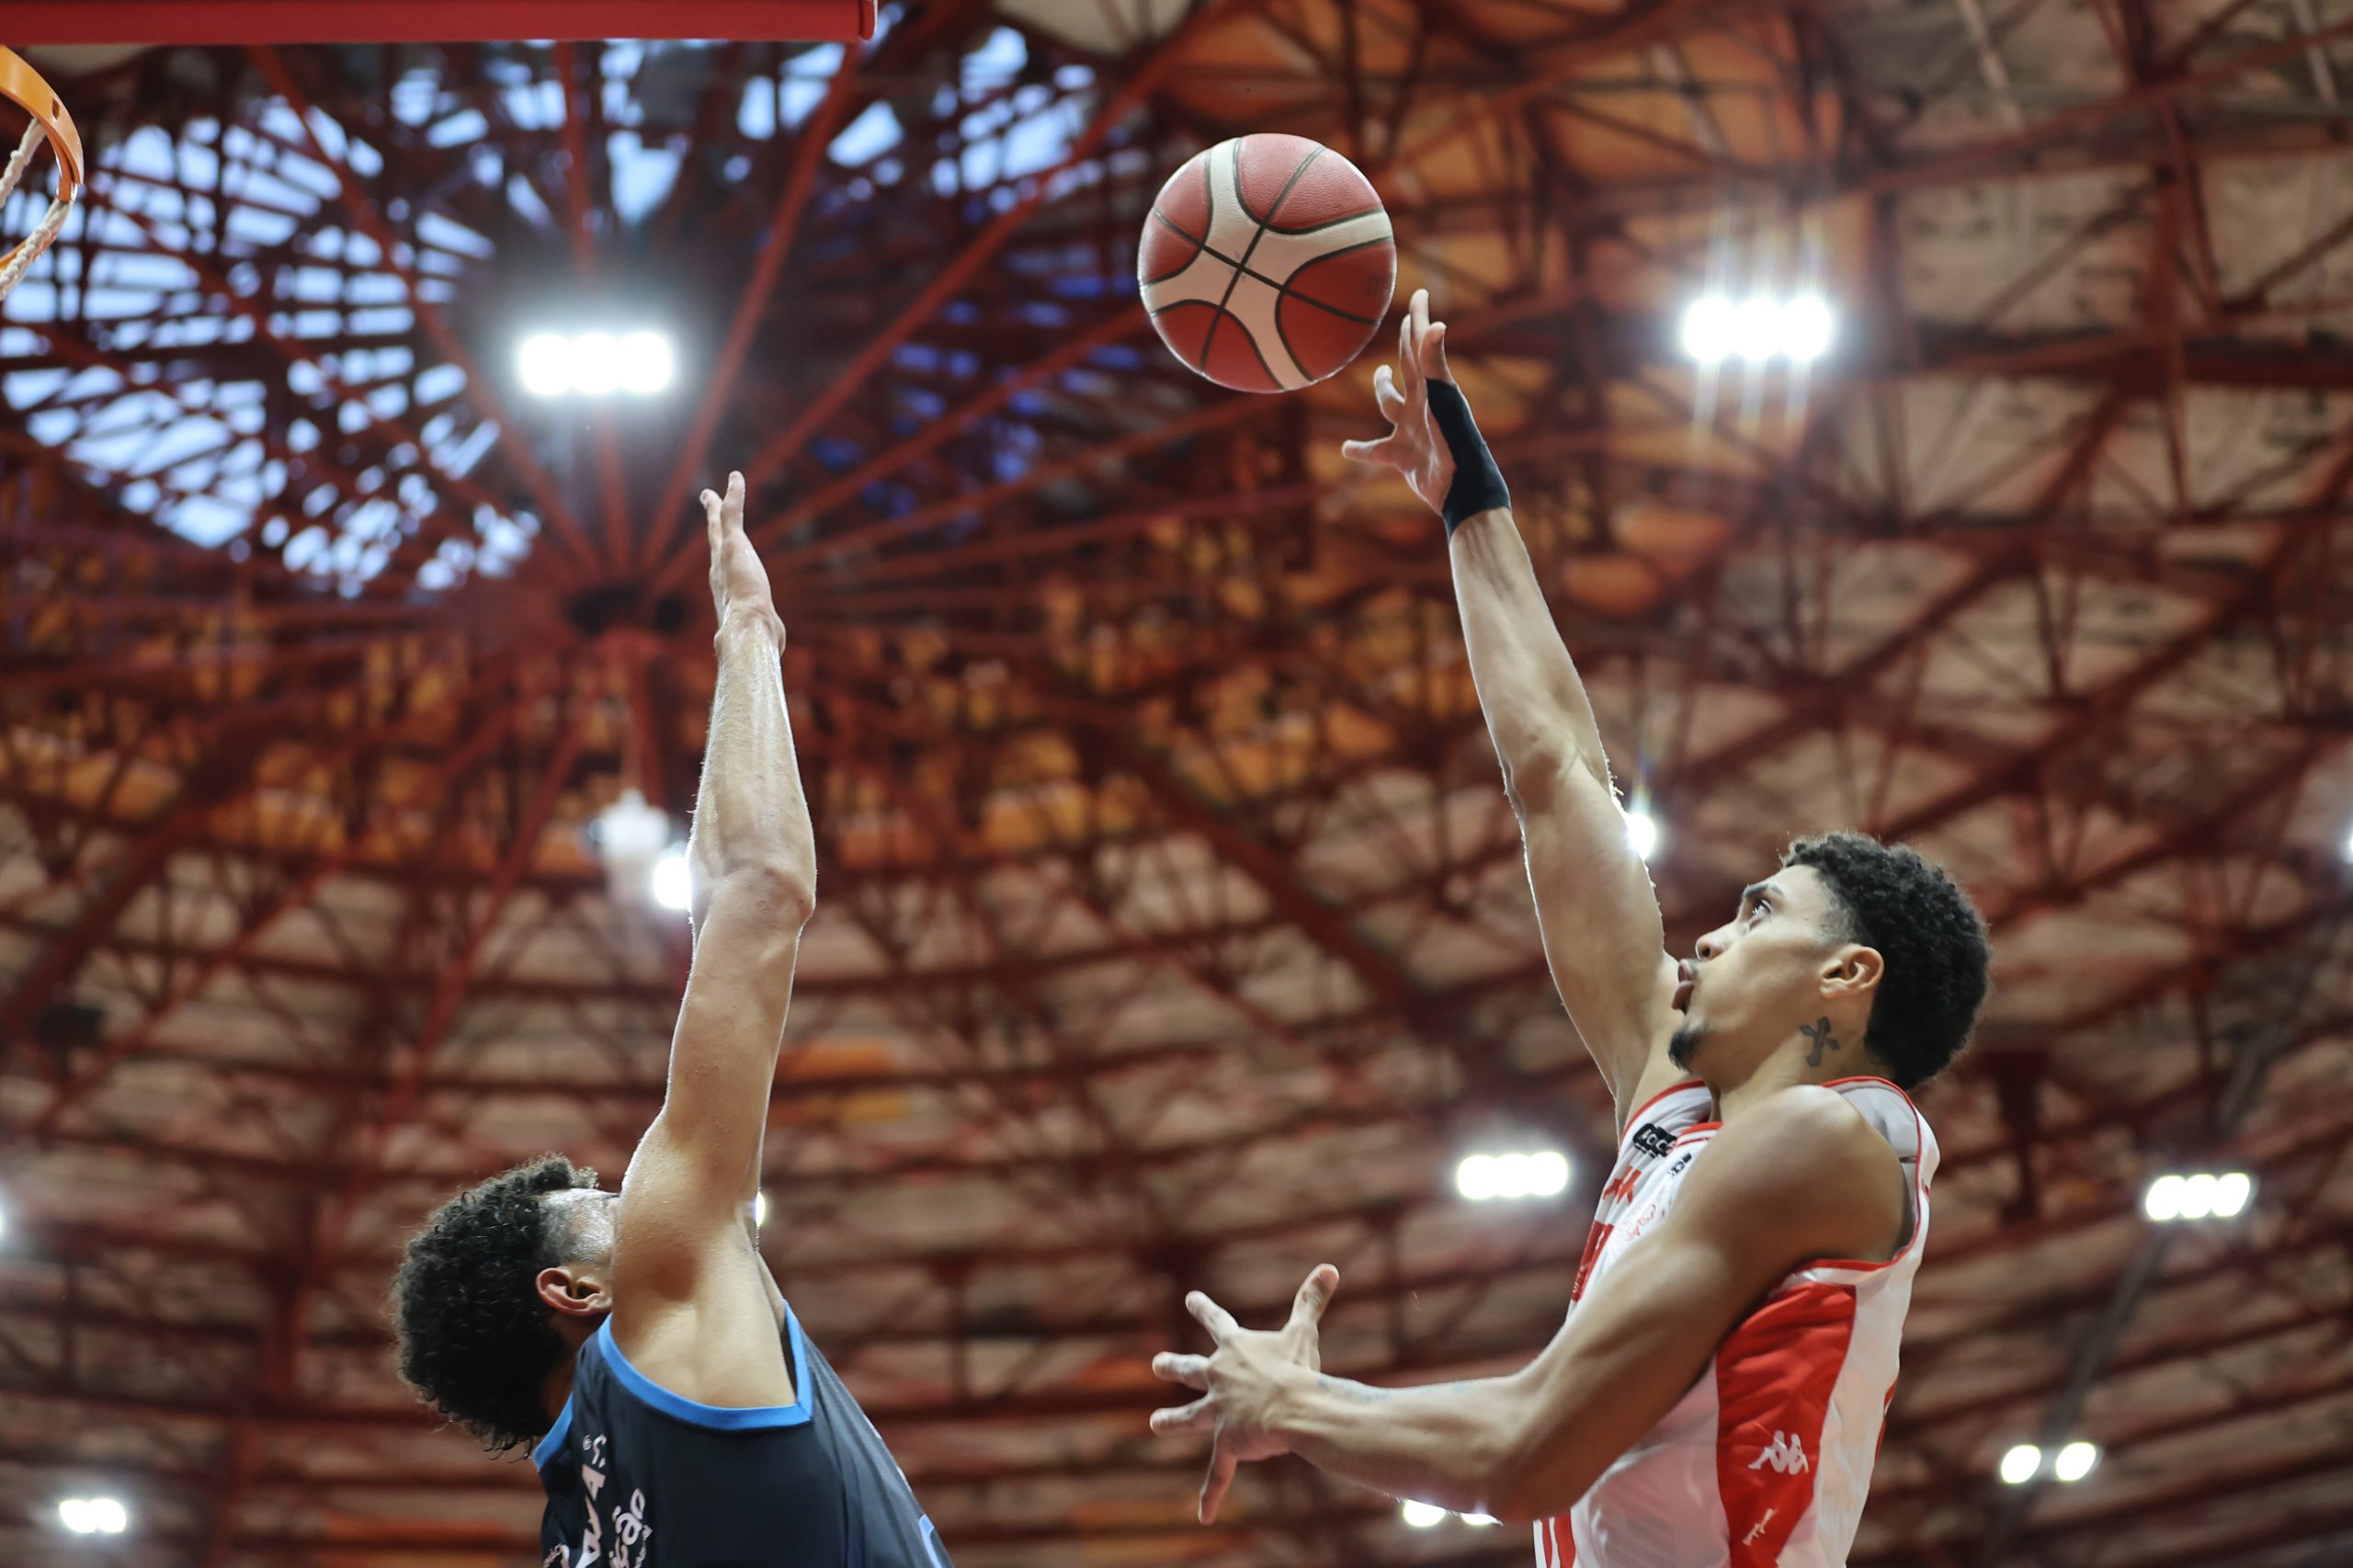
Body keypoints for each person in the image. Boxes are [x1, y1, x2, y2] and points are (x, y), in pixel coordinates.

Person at [1148, 290, 1991, 1568]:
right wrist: (1468, 502)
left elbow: (1525, 1448)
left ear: (1846, 974)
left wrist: (1298, 1405)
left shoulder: (1829, 1138)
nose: (1706, 939)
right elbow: (1553, 773)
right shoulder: (1684, 1105)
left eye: (1758, 910)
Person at [391, 473, 951, 1568]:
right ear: (575, 1289)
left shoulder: (572, 1537)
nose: (639, 1195)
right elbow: (760, 888)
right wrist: (749, 630)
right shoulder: (660, 1297)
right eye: (609, 1205)